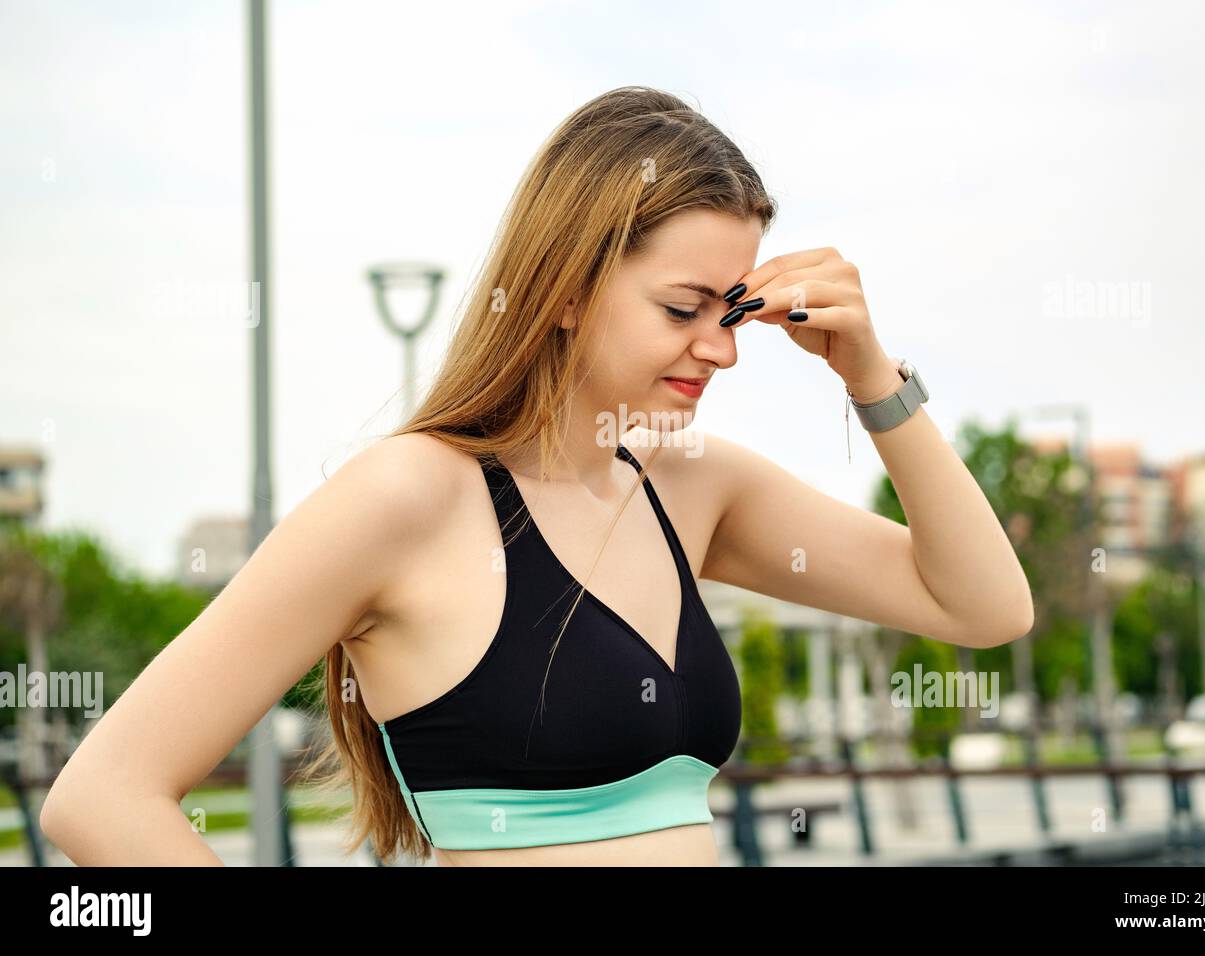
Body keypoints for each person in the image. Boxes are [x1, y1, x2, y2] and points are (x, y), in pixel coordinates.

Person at [39, 86, 1033, 867]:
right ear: (564, 288)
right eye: (683, 307)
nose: (718, 351)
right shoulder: (407, 499)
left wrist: (871, 375)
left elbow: (983, 606)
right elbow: (102, 797)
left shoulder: (692, 484)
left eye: (730, 313)